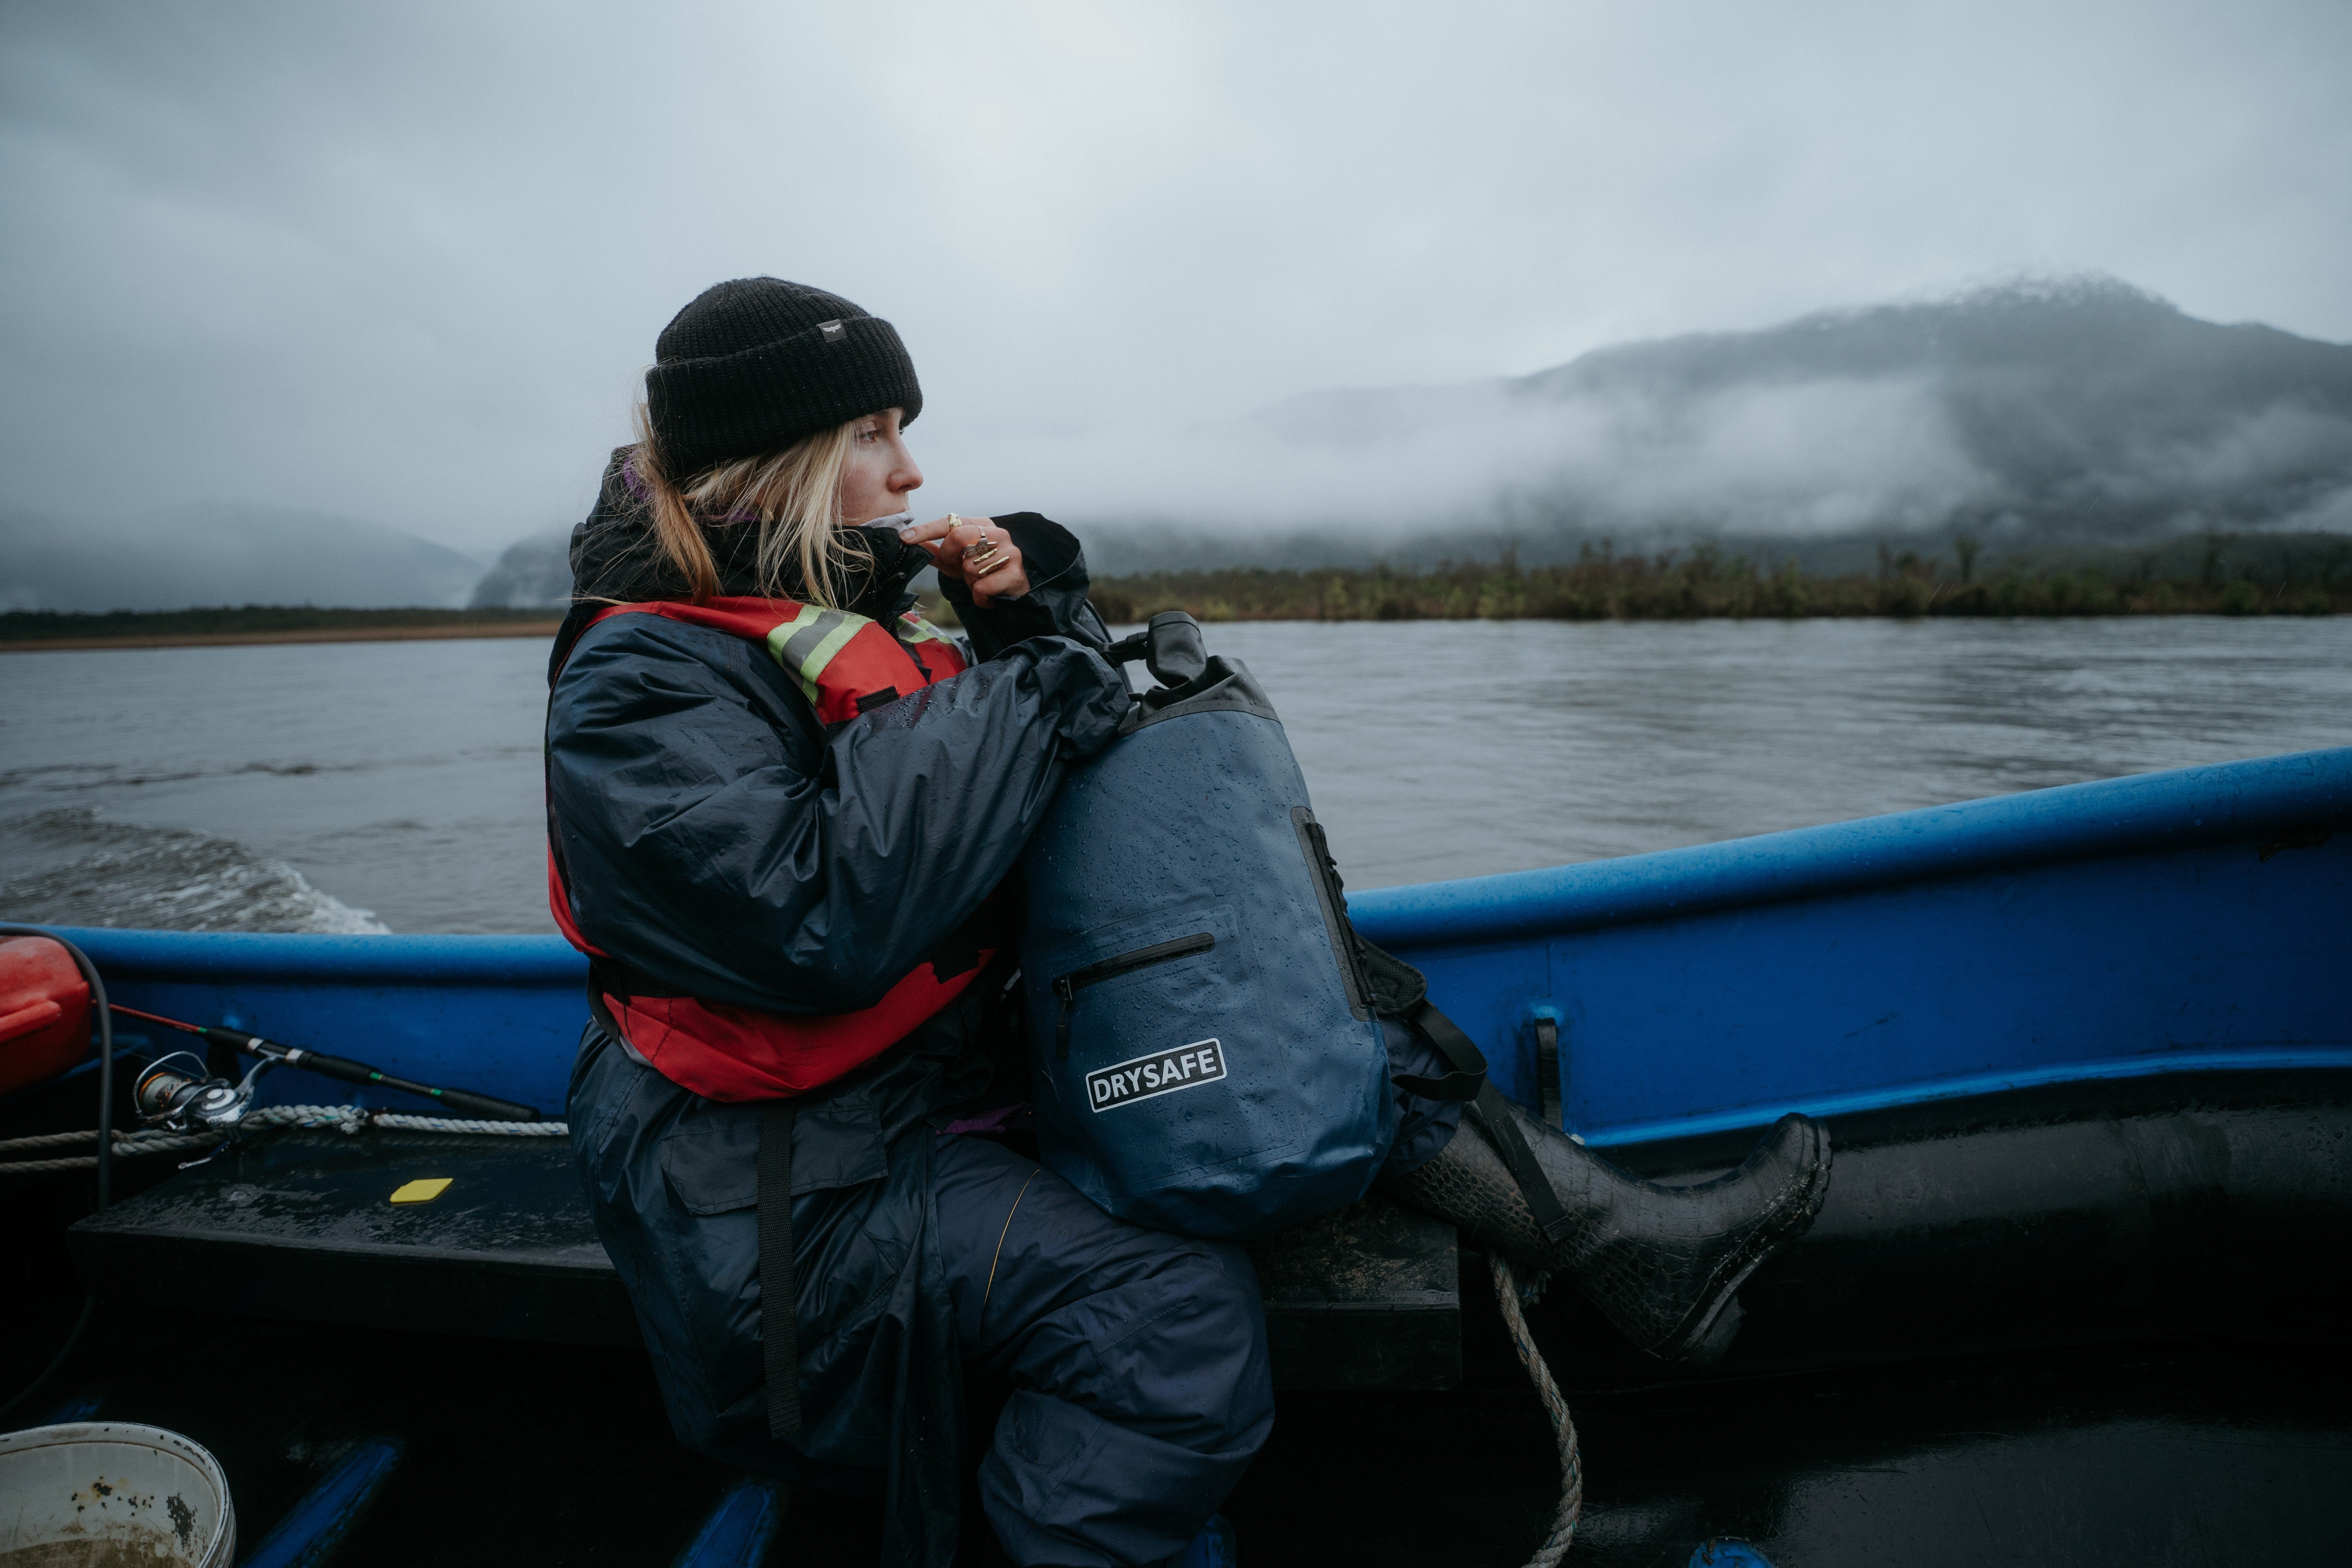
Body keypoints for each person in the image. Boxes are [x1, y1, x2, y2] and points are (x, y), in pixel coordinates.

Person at [550, 277, 1830, 1568]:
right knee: (1175, 1328)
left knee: (1299, 1020)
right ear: (776, 464)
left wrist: (1028, 619)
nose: (910, 467)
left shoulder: (841, 612)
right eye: (873, 433)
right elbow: (813, 911)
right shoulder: (638, 681)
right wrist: (1043, 678)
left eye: (903, 428)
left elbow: (1003, 786)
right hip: (778, 1202)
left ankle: (1636, 1254)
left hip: (913, 1098)